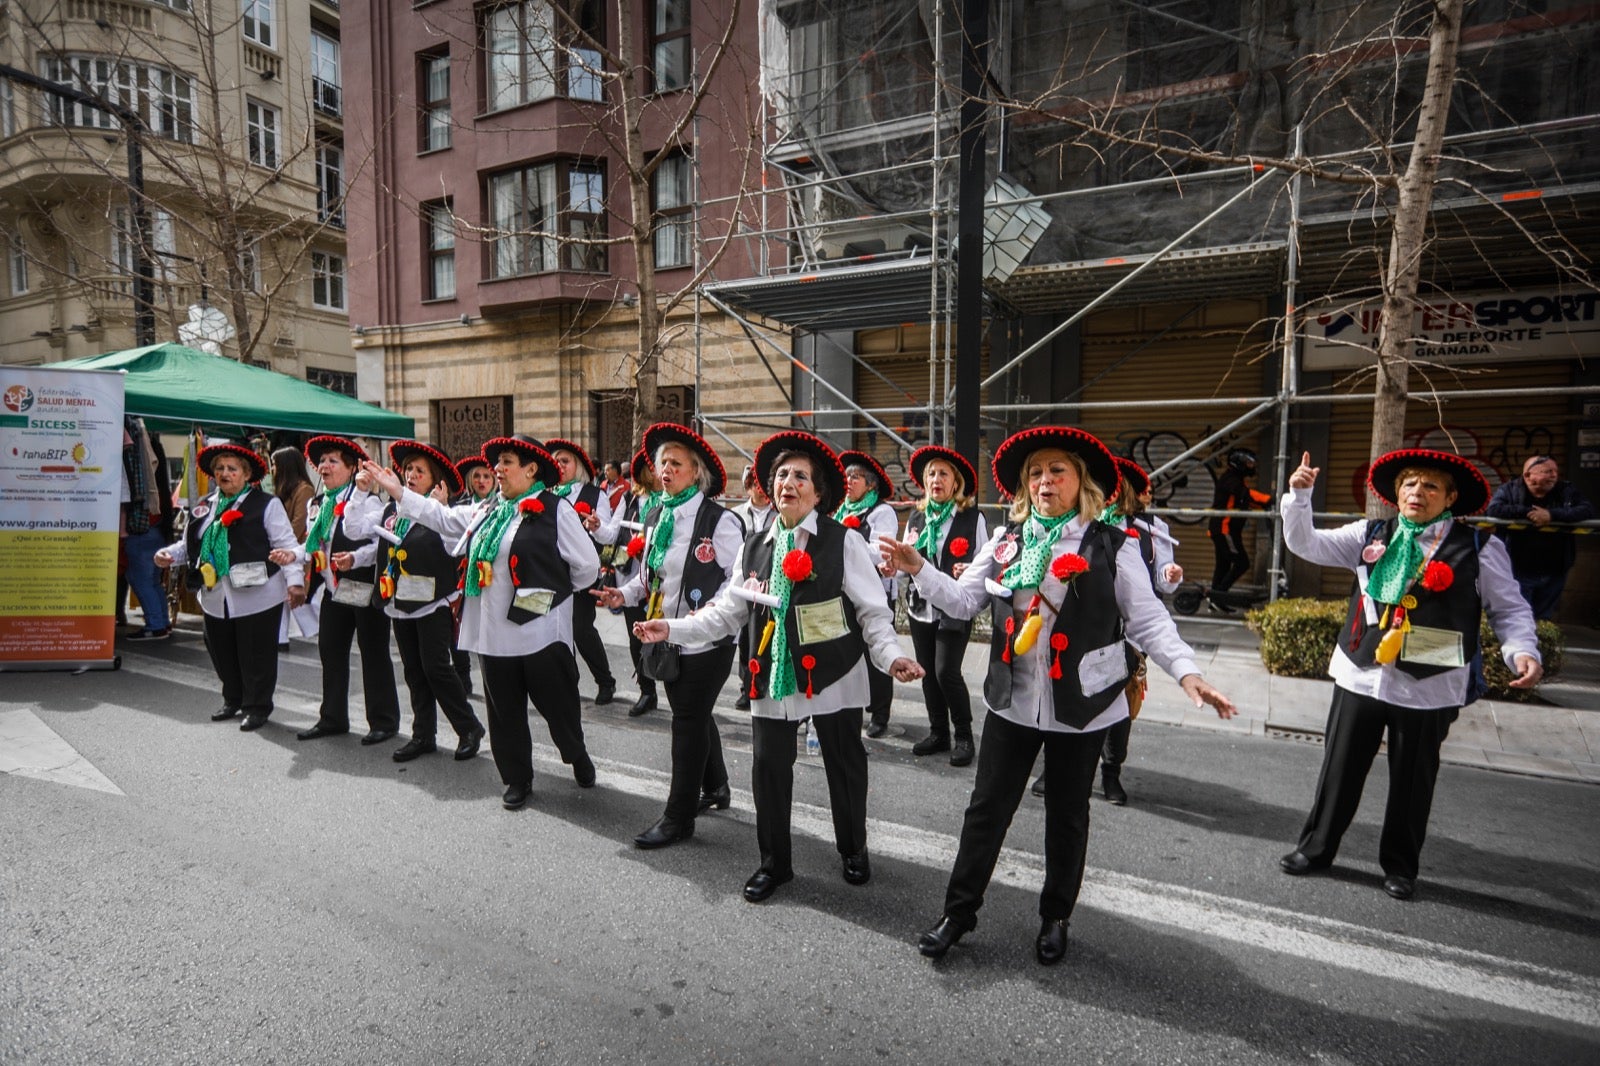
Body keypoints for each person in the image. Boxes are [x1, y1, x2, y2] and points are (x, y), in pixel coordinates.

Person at [880, 426, 1234, 965]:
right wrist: (919, 568)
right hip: (1013, 700)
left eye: (1057, 471)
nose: (1045, 480)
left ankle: (1055, 916)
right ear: (1025, 485)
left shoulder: (1114, 545)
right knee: (985, 811)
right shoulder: (1006, 542)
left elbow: (1149, 620)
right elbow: (960, 601)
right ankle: (958, 912)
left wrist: (1188, 674)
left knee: (1067, 816)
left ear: (1080, 482)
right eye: (1036, 473)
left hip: (1084, 706)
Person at [637, 431, 924, 903]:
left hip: (835, 671)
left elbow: (873, 613)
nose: (789, 482)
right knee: (769, 770)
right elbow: (725, 613)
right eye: (782, 475)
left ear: (817, 491)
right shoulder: (755, 546)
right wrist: (671, 628)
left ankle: (853, 847)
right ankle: (775, 864)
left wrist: (892, 658)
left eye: (800, 476)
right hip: (772, 669)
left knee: (844, 765)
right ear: (771, 487)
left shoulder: (844, 541)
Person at [1277, 449, 1542, 900]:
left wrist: (1523, 651)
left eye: (1430, 486)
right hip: (1361, 672)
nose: (1417, 492)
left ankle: (1400, 866)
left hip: (1431, 683)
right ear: (1397, 493)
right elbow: (1306, 545)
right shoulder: (1371, 532)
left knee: (1413, 780)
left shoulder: (1480, 547)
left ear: (1450, 497)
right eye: (1409, 484)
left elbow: (1509, 608)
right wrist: (1299, 498)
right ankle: (1316, 849)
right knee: (1339, 770)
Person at [365, 435, 599, 809]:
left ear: (531, 468)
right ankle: (517, 779)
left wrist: (549, 595)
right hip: (494, 632)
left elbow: (587, 569)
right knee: (504, 712)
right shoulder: (488, 509)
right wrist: (398, 492)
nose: (497, 470)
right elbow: (441, 518)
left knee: (559, 707)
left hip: (540, 632)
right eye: (497, 463)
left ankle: (576, 754)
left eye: (506, 462)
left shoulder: (557, 510)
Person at [595, 424, 743, 848]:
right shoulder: (657, 514)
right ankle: (716, 787)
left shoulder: (721, 521)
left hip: (707, 640)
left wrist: (705, 617)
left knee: (686, 719)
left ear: (696, 473)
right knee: (693, 713)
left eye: (676, 464)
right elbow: (651, 578)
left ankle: (678, 817)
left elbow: (736, 583)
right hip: (667, 634)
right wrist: (621, 594)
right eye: (662, 463)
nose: (666, 470)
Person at [350, 441, 485, 764]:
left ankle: (469, 728)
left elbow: (457, 550)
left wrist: (439, 509)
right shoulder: (390, 510)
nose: (411, 475)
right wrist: (359, 495)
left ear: (434, 479)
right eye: (408, 469)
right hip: (399, 600)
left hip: (431, 602)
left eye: (419, 471)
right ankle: (423, 734)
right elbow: (358, 531)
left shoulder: (442, 513)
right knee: (413, 670)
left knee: (436, 668)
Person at [154, 442, 305, 730]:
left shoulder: (266, 504)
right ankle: (233, 698)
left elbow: (287, 546)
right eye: (220, 469)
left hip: (259, 594)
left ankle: (257, 706)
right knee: (221, 651)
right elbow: (191, 545)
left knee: (256, 655)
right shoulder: (205, 507)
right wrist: (168, 556)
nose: (225, 474)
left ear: (246, 475)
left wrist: (295, 583)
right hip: (215, 595)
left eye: (232, 469)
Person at [292, 435, 402, 747]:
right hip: (334, 591)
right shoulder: (320, 504)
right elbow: (315, 545)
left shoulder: (367, 502)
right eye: (322, 461)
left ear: (352, 467)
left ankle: (384, 721)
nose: (324, 466)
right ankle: (333, 718)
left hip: (363, 586)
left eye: (333, 461)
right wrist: (294, 554)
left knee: (373, 654)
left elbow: (378, 544)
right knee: (330, 650)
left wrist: (355, 558)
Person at [901, 444, 987, 767]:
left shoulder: (972, 517)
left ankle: (963, 735)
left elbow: (983, 558)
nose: (936, 479)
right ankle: (939, 733)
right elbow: (907, 557)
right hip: (920, 605)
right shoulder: (917, 516)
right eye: (932, 474)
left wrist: (971, 568)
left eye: (943, 474)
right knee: (926, 673)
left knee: (945, 672)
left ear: (955, 483)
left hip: (954, 604)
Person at [546, 438, 618, 705]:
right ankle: (567, 682)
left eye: (565, 461)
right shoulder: (548, 494)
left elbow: (606, 534)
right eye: (556, 461)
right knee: (555, 631)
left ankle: (605, 681)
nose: (559, 465)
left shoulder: (595, 494)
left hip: (583, 572)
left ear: (578, 466)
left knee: (581, 628)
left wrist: (597, 526)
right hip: (552, 573)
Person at [835, 450, 900, 738]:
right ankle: (851, 706)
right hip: (844, 592)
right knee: (847, 651)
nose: (849, 481)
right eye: (846, 476)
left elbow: (881, 550)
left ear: (870, 484)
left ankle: (880, 712)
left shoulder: (881, 512)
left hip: (876, 591)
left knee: (876, 651)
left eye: (855, 477)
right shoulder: (839, 509)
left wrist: (846, 547)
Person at [1485, 454, 1595, 620]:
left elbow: (1587, 510)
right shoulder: (1510, 490)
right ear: (1528, 475)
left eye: (1555, 471)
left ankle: (1540, 645)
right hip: (1518, 568)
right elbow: (1494, 510)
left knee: (1543, 618)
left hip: (1554, 570)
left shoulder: (1565, 489)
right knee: (1519, 616)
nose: (1554, 475)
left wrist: (1551, 515)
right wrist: (1529, 513)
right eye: (1548, 471)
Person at [607, 448, 663, 718]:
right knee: (636, 637)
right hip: (630, 577)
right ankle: (647, 691)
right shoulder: (630, 498)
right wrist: (596, 527)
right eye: (653, 467)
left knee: (667, 636)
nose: (660, 472)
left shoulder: (668, 501)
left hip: (661, 581)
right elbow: (613, 529)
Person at [123, 416, 174, 641]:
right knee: (150, 579)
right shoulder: (153, 449)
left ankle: (156, 625)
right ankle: (161, 622)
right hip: (155, 525)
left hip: (143, 526)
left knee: (141, 577)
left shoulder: (135, 439)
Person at [730, 463, 775, 711]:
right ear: (748, 487)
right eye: (754, 484)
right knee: (745, 639)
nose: (759, 490)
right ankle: (746, 687)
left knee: (764, 636)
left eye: (763, 485)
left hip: (767, 585)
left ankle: (763, 682)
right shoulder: (736, 514)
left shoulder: (778, 514)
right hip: (744, 582)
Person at [450, 453, 496, 696]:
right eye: (476, 476)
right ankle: (463, 678)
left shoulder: (501, 507)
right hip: (459, 578)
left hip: (486, 580)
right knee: (457, 632)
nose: (481, 481)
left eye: (486, 476)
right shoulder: (458, 507)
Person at [1207, 447, 1270, 611]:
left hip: (1224, 530)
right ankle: (1219, 594)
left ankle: (1215, 601)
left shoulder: (1235, 480)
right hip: (1224, 529)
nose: (1251, 467)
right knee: (1242, 563)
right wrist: (1269, 499)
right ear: (1239, 463)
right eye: (1248, 464)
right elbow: (1246, 495)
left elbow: (1246, 499)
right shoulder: (1230, 479)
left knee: (1223, 565)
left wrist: (1264, 505)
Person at [271, 445, 318, 646]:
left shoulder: (304, 489)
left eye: (274, 464)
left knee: (293, 595)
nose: (272, 469)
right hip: (286, 549)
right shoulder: (284, 489)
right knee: (282, 596)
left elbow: (299, 522)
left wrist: (280, 541)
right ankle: (280, 637)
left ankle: (286, 636)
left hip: (295, 550)